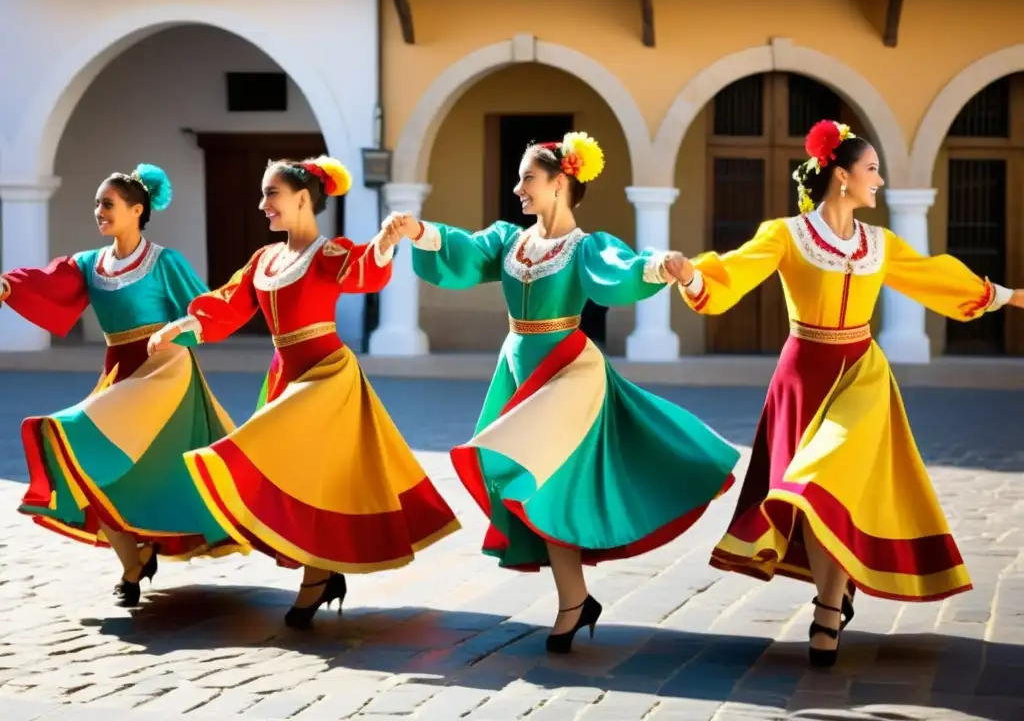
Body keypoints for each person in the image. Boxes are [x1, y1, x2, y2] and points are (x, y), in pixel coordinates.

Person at [668, 120, 1024, 667]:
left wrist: (1007, 295)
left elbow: (934, 278)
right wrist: (693, 276)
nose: (879, 180)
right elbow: (734, 272)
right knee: (815, 503)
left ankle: (827, 612)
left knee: (822, 481)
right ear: (841, 177)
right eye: (872, 169)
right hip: (802, 377)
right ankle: (832, 600)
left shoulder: (880, 243)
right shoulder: (785, 234)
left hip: (861, 375)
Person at [383, 132, 741, 654]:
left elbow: (617, 271)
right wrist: (418, 229)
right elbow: (463, 251)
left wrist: (660, 267)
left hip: (568, 372)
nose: (518, 187)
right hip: (518, 368)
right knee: (539, 483)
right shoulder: (510, 241)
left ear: (560, 183)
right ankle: (574, 599)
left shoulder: (585, 247)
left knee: (532, 472)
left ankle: (574, 599)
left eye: (528, 177)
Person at [147, 156, 460, 629]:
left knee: (276, 462)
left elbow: (364, 270)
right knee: (303, 479)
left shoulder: (327, 254)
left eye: (271, 194)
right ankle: (321, 572)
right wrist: (180, 326)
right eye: (263, 194)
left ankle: (317, 577)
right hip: (285, 376)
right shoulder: (265, 260)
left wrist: (386, 241)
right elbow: (229, 304)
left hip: (326, 377)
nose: (262, 204)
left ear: (301, 199)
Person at [0, 164, 241, 606]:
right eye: (97, 203)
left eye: (107, 204)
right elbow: (48, 283)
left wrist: (176, 332)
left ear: (136, 210)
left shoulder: (165, 262)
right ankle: (134, 560)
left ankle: (304, 550)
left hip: (164, 373)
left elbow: (207, 311)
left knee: (132, 460)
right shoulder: (90, 264)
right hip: (118, 373)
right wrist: (6, 285)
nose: (99, 211)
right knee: (92, 463)